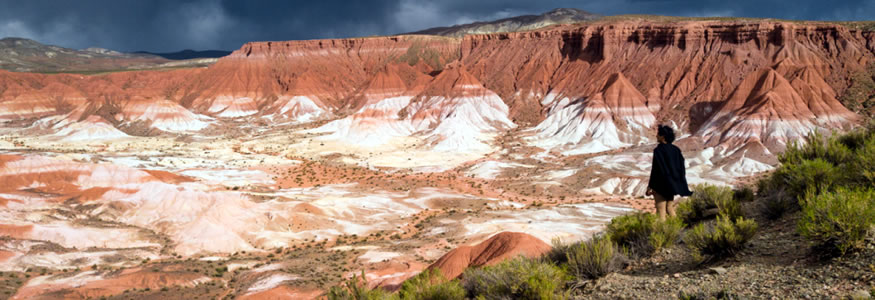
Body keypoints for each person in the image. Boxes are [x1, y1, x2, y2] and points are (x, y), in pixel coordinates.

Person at [646, 125, 692, 221]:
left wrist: (650, 186)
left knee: (660, 211)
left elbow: (655, 170)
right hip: (672, 185)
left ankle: (663, 233)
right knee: (669, 208)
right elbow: (681, 168)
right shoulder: (676, 150)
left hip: (661, 185)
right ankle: (679, 229)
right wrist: (678, 183)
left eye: (658, 134)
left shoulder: (658, 150)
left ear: (663, 136)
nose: (656, 136)